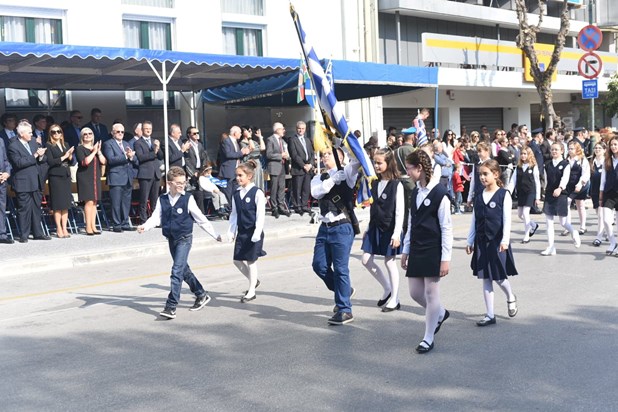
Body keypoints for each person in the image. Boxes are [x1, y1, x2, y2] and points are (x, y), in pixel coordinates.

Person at [138, 166, 222, 319]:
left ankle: (171, 306)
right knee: (184, 270)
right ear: (169, 183)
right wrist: (145, 226)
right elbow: (156, 218)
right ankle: (201, 294)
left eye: (183, 182)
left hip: (184, 238)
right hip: (171, 239)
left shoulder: (187, 198)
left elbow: (200, 219)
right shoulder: (162, 199)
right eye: (178, 183)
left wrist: (215, 235)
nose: (182, 185)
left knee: (176, 271)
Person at [401, 150, 452, 353]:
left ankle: (428, 337)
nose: (407, 172)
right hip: (416, 247)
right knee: (415, 293)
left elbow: (446, 227)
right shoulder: (415, 192)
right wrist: (406, 249)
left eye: (409, 168)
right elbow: (412, 223)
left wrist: (445, 259)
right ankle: (440, 313)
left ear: (419, 168)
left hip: (433, 248)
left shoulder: (440, 193)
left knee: (431, 293)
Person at [465, 159, 518, 327]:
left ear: (496, 174)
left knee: (499, 277)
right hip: (482, 242)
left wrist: (505, 240)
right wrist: (470, 240)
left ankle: (510, 296)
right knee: (485, 277)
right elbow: (474, 220)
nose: (482, 177)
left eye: (485, 174)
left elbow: (507, 220)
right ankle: (490, 314)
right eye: (480, 174)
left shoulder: (504, 195)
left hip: (497, 242)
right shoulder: (479, 196)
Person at [311, 148, 360, 325]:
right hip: (324, 228)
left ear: (340, 157)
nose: (325, 157)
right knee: (319, 265)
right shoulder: (319, 177)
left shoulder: (346, 173)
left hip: (341, 226)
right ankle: (344, 291)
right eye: (323, 154)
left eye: (329, 154)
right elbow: (316, 193)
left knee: (340, 269)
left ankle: (345, 309)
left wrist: (347, 144)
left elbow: (357, 161)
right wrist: (332, 179)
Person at [361, 149, 404, 312]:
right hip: (375, 226)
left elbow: (400, 211)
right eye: (375, 162)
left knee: (389, 261)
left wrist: (396, 233)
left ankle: (395, 298)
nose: (376, 165)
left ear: (389, 163)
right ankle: (387, 289)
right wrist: (367, 228)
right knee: (366, 259)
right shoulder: (374, 182)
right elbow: (373, 208)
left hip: (390, 228)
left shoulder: (396, 184)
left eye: (379, 162)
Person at [226, 160, 266, 303]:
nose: (237, 178)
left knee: (251, 261)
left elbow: (261, 215)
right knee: (237, 260)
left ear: (249, 176)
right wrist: (231, 231)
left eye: (240, 175)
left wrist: (257, 232)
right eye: (236, 175)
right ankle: (253, 280)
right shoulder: (236, 193)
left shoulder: (257, 193)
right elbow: (234, 214)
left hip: (253, 231)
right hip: (242, 231)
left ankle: (251, 291)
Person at [7, 120, 51, 242]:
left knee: (36, 208)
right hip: (23, 182)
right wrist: (35, 155)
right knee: (24, 209)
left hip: (36, 181)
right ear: (21, 133)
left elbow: (43, 158)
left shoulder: (33, 142)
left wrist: (41, 155)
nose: (31, 134)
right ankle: (24, 234)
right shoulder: (13, 146)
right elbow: (19, 163)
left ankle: (38, 233)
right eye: (29, 132)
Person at [540, 142, 581, 256]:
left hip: (561, 193)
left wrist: (560, 188)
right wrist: (544, 191)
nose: (554, 151)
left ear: (562, 151)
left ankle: (574, 232)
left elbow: (565, 178)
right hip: (549, 194)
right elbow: (546, 179)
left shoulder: (565, 164)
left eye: (556, 150)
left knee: (563, 222)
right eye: (552, 149)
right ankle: (551, 247)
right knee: (549, 222)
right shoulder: (547, 164)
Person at [103, 123, 137, 232]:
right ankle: (116, 224)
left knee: (126, 202)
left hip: (127, 176)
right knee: (116, 202)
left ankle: (125, 223)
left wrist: (131, 157)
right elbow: (111, 159)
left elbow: (135, 160)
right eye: (118, 132)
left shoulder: (127, 143)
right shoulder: (108, 144)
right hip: (116, 177)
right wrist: (126, 156)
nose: (120, 134)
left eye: (122, 131)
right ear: (113, 133)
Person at [46, 124, 75, 238]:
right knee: (58, 204)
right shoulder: (48, 145)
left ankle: (65, 227)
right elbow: (51, 162)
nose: (57, 133)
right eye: (54, 132)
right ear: (50, 134)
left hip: (65, 175)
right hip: (56, 177)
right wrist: (64, 156)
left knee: (66, 204)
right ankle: (59, 228)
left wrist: (70, 156)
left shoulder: (65, 144)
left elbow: (71, 162)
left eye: (59, 131)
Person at [76, 127, 106, 235]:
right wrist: (93, 152)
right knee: (88, 201)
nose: (88, 135)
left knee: (94, 202)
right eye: (85, 134)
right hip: (85, 177)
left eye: (90, 133)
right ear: (82, 137)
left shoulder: (95, 149)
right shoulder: (80, 148)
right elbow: (85, 162)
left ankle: (93, 225)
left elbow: (103, 161)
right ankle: (87, 226)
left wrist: (98, 152)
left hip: (95, 176)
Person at [507, 146, 541, 244]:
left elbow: (537, 182)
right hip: (521, 192)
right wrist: (508, 191)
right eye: (522, 154)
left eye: (525, 154)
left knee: (526, 213)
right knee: (520, 215)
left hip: (530, 192)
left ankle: (526, 235)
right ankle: (533, 224)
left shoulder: (533, 167)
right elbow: (513, 180)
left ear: (529, 155)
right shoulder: (518, 167)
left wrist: (538, 197)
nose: (523, 156)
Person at [134, 120, 163, 223]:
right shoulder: (138, 143)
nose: (148, 131)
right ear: (142, 130)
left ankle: (155, 219)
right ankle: (143, 219)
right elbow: (141, 157)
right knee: (144, 198)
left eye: (150, 129)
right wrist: (154, 151)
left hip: (155, 173)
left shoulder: (155, 141)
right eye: (146, 129)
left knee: (155, 198)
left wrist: (158, 148)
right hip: (145, 174)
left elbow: (161, 156)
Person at [563, 141, 590, 236]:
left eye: (572, 148)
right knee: (567, 203)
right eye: (569, 148)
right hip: (569, 184)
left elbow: (586, 174)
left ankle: (583, 227)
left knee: (580, 204)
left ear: (577, 149)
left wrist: (579, 184)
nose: (570, 150)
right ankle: (567, 226)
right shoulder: (566, 159)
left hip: (580, 185)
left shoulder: (582, 160)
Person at [218, 126, 250, 207]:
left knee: (236, 190)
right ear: (235, 133)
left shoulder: (236, 142)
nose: (241, 134)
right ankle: (229, 209)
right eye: (239, 133)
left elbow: (237, 156)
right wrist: (241, 153)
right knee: (228, 192)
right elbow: (228, 154)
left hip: (236, 170)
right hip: (228, 170)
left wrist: (244, 153)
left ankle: (235, 208)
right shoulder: (226, 141)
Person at [288, 121, 315, 215]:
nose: (301, 130)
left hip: (308, 168)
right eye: (299, 128)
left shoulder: (308, 140)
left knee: (306, 189)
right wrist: (303, 165)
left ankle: (304, 206)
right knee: (297, 189)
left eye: (303, 128)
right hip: (299, 168)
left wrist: (310, 165)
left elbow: (312, 154)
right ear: (296, 129)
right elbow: (294, 155)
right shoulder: (292, 140)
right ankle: (297, 206)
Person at [266, 122, 291, 218]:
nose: (284, 131)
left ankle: (281, 206)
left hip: (282, 167)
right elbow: (269, 154)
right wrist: (281, 155)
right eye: (282, 129)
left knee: (281, 187)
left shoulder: (282, 141)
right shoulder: (270, 140)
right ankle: (274, 208)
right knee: (274, 188)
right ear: (277, 130)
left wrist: (287, 156)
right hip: (274, 167)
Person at [599, 136, 618, 256]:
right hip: (608, 193)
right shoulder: (607, 160)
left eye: (616, 144)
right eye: (612, 145)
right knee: (606, 219)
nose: (613, 147)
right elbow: (603, 179)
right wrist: (601, 194)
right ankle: (613, 242)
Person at [185, 126, 209, 214]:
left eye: (197, 133)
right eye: (194, 133)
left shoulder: (200, 145)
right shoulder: (187, 145)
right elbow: (187, 160)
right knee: (191, 193)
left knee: (200, 193)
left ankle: (201, 213)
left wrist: (204, 169)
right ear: (189, 135)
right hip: (191, 172)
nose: (197, 135)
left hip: (200, 170)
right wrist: (192, 173)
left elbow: (203, 157)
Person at [589, 142, 606, 247]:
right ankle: (607, 231)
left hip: (605, 191)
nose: (597, 150)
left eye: (600, 148)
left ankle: (599, 237)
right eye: (596, 148)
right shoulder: (591, 162)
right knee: (599, 214)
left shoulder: (607, 162)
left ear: (604, 150)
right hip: (594, 191)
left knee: (601, 215)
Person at [467, 142, 492, 206]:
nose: (478, 154)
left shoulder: (492, 164)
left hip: (490, 193)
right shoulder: (477, 165)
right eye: (478, 151)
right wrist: (469, 197)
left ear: (487, 151)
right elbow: (473, 181)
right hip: (478, 193)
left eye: (480, 151)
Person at [0, 136, 12, 243]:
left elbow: (5, 160)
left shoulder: (1, 140)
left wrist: (7, 172)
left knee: (1, 208)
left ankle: (2, 234)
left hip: (2, 181)